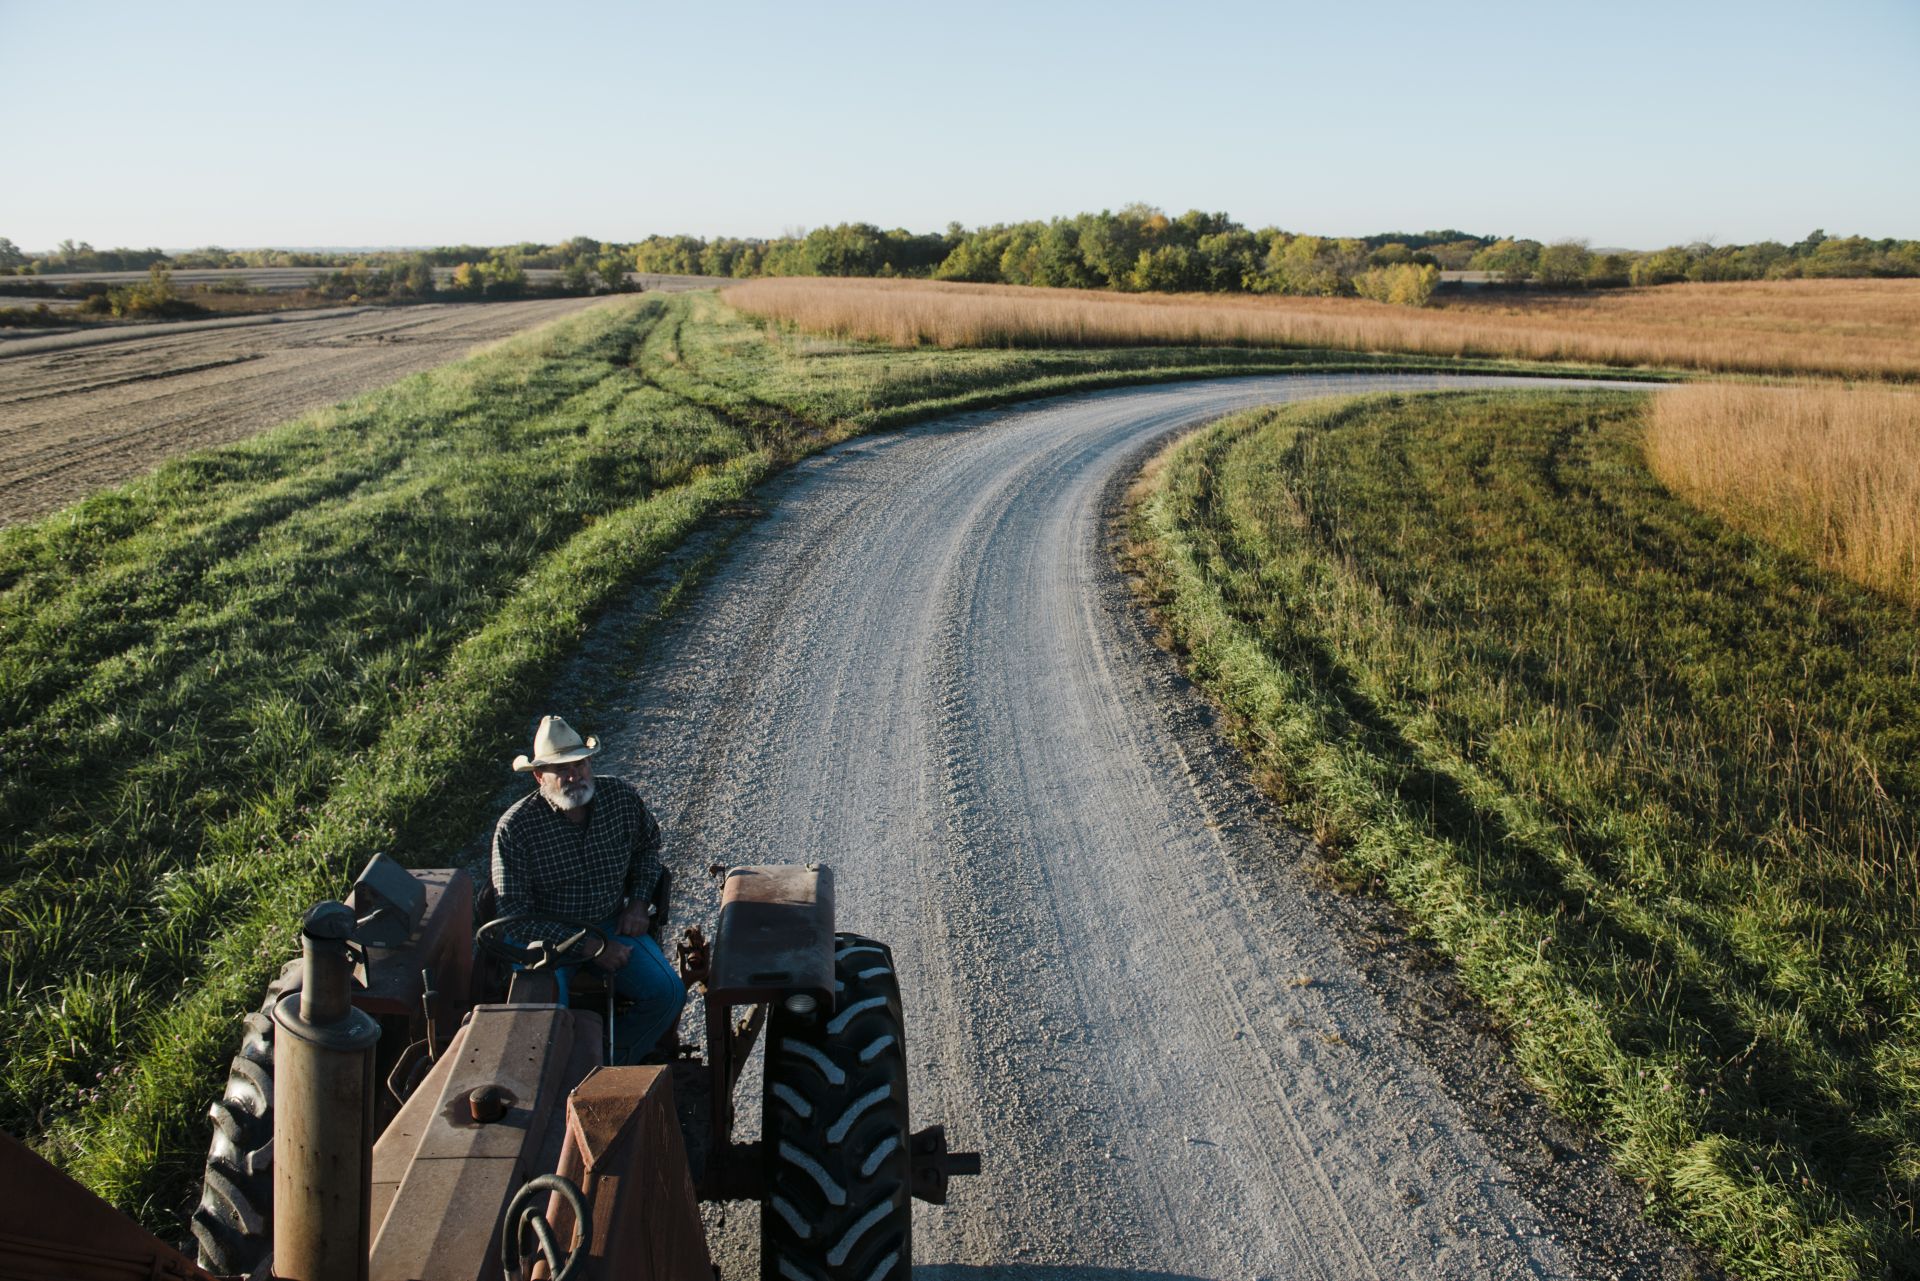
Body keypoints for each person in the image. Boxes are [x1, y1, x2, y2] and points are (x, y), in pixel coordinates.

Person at [490, 714, 685, 1062]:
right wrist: (589, 947)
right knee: (544, 1021)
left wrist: (638, 902)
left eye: (579, 764)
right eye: (560, 769)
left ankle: (609, 1066)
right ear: (539, 776)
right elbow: (515, 917)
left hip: (609, 921)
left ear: (589, 764)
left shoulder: (620, 797)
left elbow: (647, 849)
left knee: (668, 993)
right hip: (547, 941)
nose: (574, 775)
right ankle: (557, 1075)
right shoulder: (515, 827)